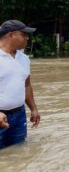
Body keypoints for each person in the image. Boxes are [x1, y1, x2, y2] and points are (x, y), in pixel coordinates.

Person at [0, 20, 40, 149]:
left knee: (17, 151)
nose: (27, 38)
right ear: (11, 35)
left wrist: (33, 109)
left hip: (19, 114)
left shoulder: (24, 58)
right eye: (24, 34)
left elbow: (27, 85)